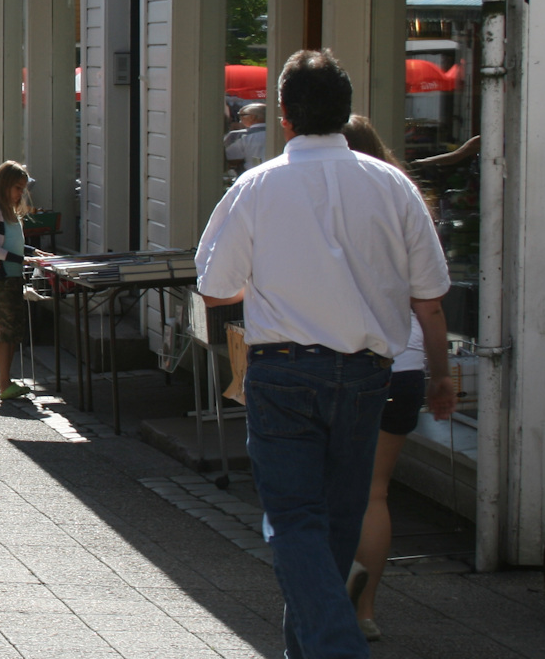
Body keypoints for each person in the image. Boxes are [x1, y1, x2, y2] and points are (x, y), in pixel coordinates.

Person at [195, 50, 452, 659]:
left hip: (283, 368)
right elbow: (430, 299)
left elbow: (216, 286)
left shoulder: (257, 187)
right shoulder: (393, 186)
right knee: (335, 524)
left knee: (294, 523)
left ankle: (336, 647)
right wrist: (441, 374)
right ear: (345, 110)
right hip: (368, 374)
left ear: (282, 115)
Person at [340, 115, 456, 643]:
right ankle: (365, 612)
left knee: (323, 487)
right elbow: (430, 308)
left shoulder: (318, 200)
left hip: (335, 361)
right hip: (401, 363)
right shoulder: (406, 199)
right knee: (375, 493)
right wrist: (441, 374)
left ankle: (330, 584)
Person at [0, 161, 36, 401]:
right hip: (1, 278)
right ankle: (3, 381)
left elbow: (14, 243)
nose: (20, 194)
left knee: (14, 329)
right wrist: (19, 259)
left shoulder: (12, 215)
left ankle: (5, 380)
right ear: (4, 186)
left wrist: (34, 253)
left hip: (14, 277)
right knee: (5, 331)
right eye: (17, 188)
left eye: (22, 189)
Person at [224, 102, 269, 172]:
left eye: (241, 115)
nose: (240, 119)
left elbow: (230, 158)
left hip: (252, 174)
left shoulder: (241, 136)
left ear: (252, 117)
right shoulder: (280, 134)